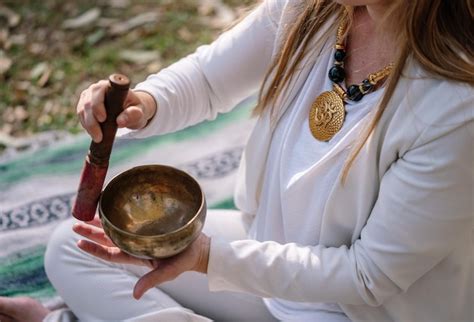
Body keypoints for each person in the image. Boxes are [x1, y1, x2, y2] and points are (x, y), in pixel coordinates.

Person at [2, 0, 472, 321]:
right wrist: (144, 104)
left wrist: (208, 258)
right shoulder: (313, 10)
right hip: (264, 253)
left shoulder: (456, 106)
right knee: (75, 245)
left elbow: (369, 276)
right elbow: (209, 79)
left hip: (358, 311)